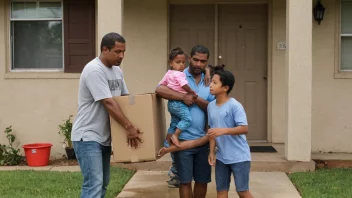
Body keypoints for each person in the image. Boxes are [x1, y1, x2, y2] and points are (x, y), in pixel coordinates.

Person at [71, 32, 143, 198]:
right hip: (87, 136)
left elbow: (124, 99)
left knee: (102, 184)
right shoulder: (94, 70)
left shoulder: (117, 71)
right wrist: (129, 127)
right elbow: (109, 103)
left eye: (123, 52)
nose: (121, 56)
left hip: (103, 137)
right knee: (93, 185)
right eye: (117, 52)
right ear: (105, 49)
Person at [155, 45, 214, 198]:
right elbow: (160, 90)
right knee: (185, 182)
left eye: (203, 61)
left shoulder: (210, 82)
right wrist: (182, 96)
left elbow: (212, 108)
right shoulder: (178, 74)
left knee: (202, 181)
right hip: (181, 140)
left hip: (202, 140)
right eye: (195, 60)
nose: (199, 64)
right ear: (189, 59)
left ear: (207, 62)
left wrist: (194, 98)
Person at [207, 66, 253, 198]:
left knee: (242, 191)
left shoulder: (235, 105)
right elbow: (211, 131)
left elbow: (244, 128)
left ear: (225, 88)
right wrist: (211, 152)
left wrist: (223, 131)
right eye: (211, 82)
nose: (211, 85)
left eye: (215, 83)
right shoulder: (211, 106)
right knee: (221, 191)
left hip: (239, 157)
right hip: (221, 157)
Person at [159, 47, 198, 148]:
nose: (181, 65)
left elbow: (161, 85)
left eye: (183, 62)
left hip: (171, 103)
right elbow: (184, 85)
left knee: (174, 123)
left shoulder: (168, 73)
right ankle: (175, 136)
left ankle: (167, 142)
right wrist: (192, 92)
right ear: (171, 63)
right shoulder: (179, 74)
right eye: (178, 62)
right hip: (179, 104)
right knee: (187, 119)